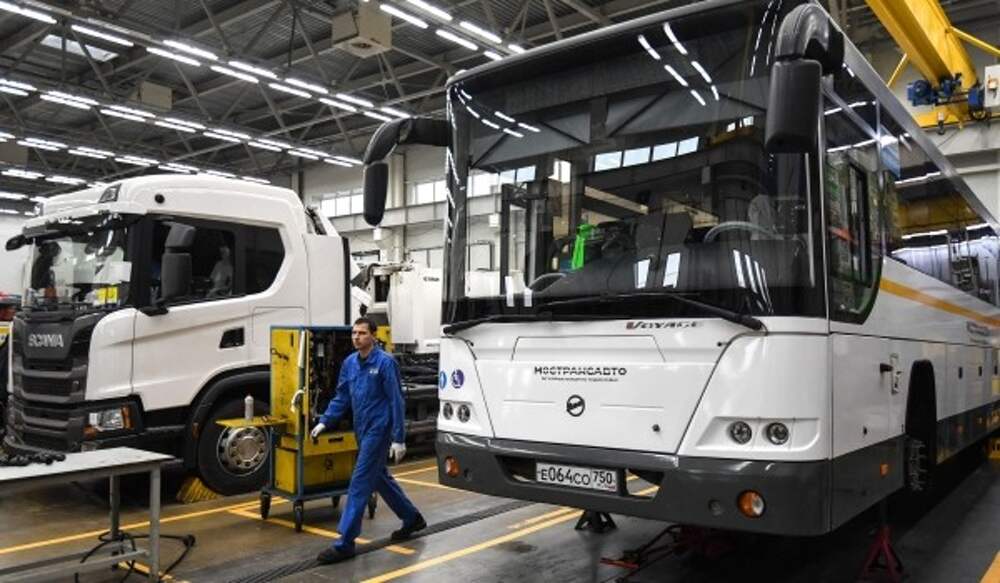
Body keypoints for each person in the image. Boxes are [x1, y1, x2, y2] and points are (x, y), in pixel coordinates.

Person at [310, 317, 426, 564]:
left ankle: (345, 543)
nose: (356, 337)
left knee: (360, 481)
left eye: (362, 333)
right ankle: (411, 518)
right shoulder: (350, 363)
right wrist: (325, 421)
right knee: (379, 477)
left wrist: (399, 438)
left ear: (373, 335)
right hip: (361, 428)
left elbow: (396, 400)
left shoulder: (385, 363)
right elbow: (342, 396)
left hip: (379, 429)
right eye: (354, 333)